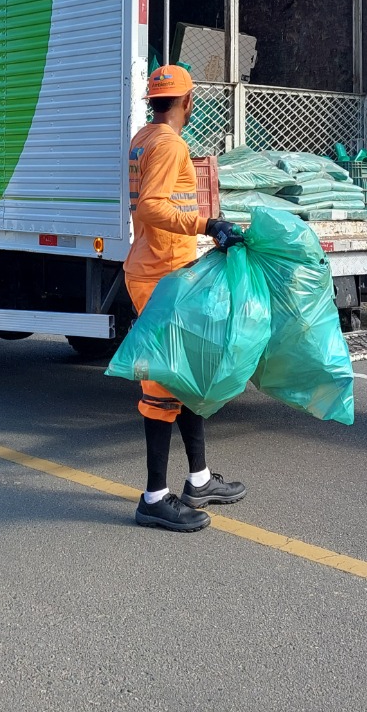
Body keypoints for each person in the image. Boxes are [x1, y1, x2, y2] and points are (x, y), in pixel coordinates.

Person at [125, 64, 248, 531]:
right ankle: (154, 498)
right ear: (187, 102)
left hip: (165, 272)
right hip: (157, 276)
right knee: (162, 384)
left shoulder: (144, 138)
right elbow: (154, 206)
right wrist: (206, 225)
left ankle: (198, 480)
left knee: (188, 375)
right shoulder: (169, 143)